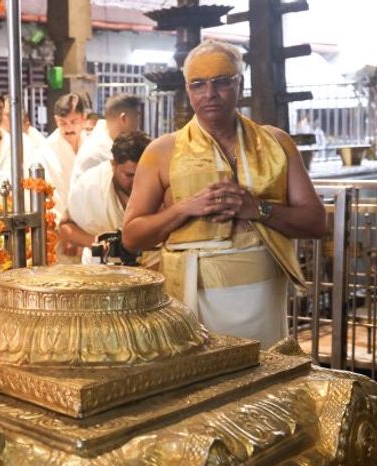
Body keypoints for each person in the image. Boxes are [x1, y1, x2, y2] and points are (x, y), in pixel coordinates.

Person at [121, 40, 325, 347]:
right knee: (201, 386)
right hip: (192, 297)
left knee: (265, 383)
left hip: (263, 292)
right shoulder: (162, 151)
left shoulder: (276, 143)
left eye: (221, 82)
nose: (209, 94)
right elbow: (131, 236)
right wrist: (185, 208)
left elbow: (316, 222)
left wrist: (258, 209)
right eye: (198, 85)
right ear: (188, 90)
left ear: (239, 84)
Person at [64, 130, 151, 262]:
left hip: (151, 268)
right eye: (129, 175)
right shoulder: (90, 185)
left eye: (141, 174)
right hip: (100, 271)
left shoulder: (159, 182)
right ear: (113, 165)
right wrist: (94, 242)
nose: (136, 181)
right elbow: (65, 226)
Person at [36, 93, 88, 220]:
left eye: (73, 121)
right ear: (56, 120)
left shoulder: (92, 144)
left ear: (83, 118)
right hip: (62, 222)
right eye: (63, 123)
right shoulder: (46, 152)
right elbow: (47, 197)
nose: (68, 127)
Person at [71, 94, 141, 182]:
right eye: (137, 118)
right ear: (124, 119)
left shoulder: (113, 144)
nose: (138, 125)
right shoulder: (95, 152)